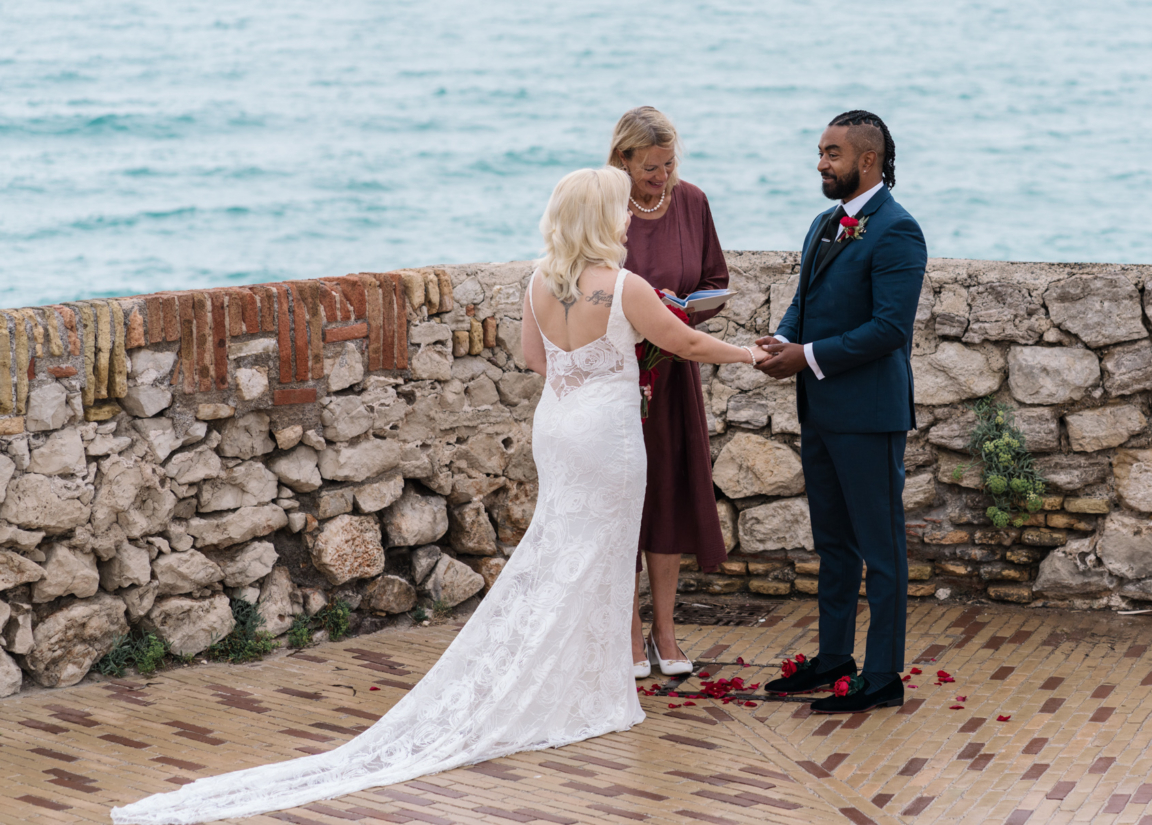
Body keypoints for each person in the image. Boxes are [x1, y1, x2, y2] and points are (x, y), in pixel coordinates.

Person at [111, 166, 768, 825]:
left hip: (559, 424)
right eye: (620, 210)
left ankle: (585, 671)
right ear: (601, 219)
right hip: (607, 433)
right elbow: (680, 340)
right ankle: (593, 684)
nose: (629, 219)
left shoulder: (542, 282)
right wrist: (747, 355)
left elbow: (535, 359)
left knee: (564, 546)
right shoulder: (623, 287)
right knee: (602, 550)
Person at [755, 110, 927, 715]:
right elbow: (802, 305)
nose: (821, 163)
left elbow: (888, 330)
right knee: (832, 544)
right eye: (821, 152)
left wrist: (807, 357)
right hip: (820, 409)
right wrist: (781, 343)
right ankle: (834, 657)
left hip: (869, 415)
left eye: (832, 154)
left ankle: (882, 674)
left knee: (881, 550)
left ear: (868, 161)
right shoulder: (825, 223)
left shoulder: (897, 231)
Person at [609, 107, 730, 678]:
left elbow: (715, 283)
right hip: (618, 377)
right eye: (651, 168)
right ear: (623, 160)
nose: (663, 177)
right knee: (623, 501)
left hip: (673, 371)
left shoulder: (693, 202)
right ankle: (628, 635)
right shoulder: (602, 207)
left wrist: (683, 310)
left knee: (668, 498)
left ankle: (665, 631)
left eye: (669, 164)